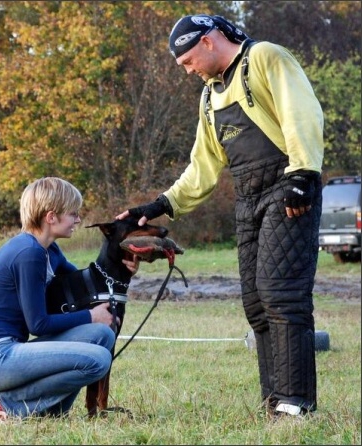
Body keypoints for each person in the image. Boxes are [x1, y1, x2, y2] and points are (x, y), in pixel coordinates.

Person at [116, 14, 324, 419]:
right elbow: (202, 167)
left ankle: (297, 401)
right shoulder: (210, 95)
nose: (187, 70)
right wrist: (159, 205)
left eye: (188, 60)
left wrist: (304, 174)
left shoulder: (264, 58)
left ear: (209, 41)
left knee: (282, 294)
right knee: (256, 302)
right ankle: (275, 400)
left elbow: (303, 112)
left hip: (288, 187)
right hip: (248, 197)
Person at [0, 177, 139, 423]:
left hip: (10, 351)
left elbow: (84, 282)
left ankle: (49, 413)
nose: (78, 220)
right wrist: (92, 315)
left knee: (103, 336)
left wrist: (125, 271)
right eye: (73, 214)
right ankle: (5, 403)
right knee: (99, 360)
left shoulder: (49, 250)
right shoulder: (29, 253)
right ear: (51, 217)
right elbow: (37, 325)